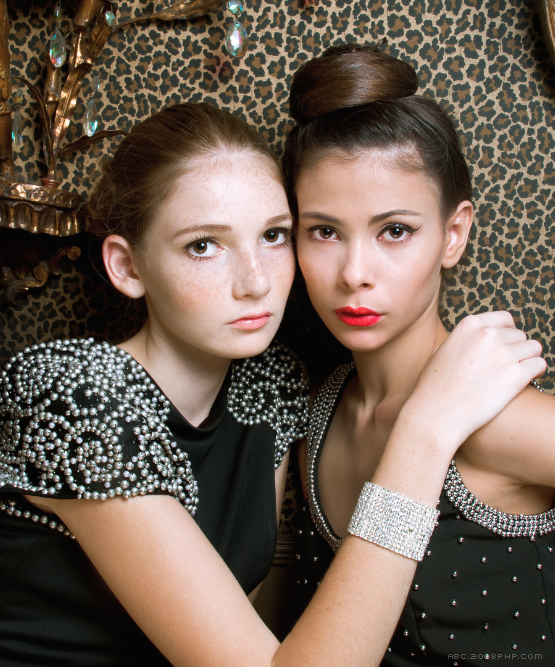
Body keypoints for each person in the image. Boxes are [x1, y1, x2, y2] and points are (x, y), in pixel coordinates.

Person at [0, 102, 545, 667]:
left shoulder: (272, 384)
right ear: (127, 267)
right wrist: (426, 428)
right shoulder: (65, 391)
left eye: (274, 235)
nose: (256, 281)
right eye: (203, 245)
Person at [285, 44, 555, 664]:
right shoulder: (319, 415)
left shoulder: (500, 421)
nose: (354, 273)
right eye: (323, 231)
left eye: (395, 231)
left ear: (453, 234)